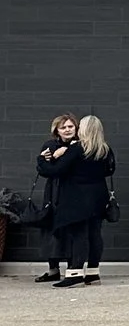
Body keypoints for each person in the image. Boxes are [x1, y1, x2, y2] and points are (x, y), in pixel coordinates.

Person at [39, 114, 115, 289]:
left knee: (79, 235)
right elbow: (109, 170)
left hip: (77, 199)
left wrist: (43, 160)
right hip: (98, 196)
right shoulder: (104, 149)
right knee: (95, 234)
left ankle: (75, 274)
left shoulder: (77, 149)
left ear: (85, 129)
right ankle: (93, 273)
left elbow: (55, 171)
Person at [33, 113, 75, 282]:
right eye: (63, 127)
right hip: (53, 193)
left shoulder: (79, 145)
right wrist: (49, 158)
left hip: (73, 192)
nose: (67, 130)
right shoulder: (50, 145)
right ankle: (53, 270)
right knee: (51, 229)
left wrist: (65, 153)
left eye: (70, 126)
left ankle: (73, 268)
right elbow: (43, 170)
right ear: (57, 130)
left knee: (72, 230)